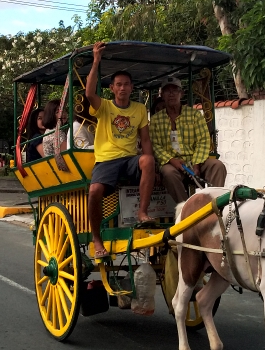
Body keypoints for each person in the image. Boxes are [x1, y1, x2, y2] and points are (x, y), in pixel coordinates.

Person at [86, 41, 155, 258]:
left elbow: (145, 139)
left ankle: (142, 212)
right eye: (118, 84)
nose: (123, 88)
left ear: (132, 88)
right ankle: (97, 240)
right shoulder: (105, 106)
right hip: (106, 160)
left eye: (126, 84)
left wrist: (152, 165)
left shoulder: (139, 108)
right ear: (112, 88)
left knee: (148, 160)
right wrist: (96, 60)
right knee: (94, 191)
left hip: (129, 159)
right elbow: (89, 93)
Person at [149, 75, 226, 203]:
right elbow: (155, 145)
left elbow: (203, 140)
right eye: (167, 91)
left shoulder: (194, 114)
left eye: (175, 90)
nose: (171, 94)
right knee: (168, 173)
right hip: (172, 163)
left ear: (181, 93)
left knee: (218, 166)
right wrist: (172, 160)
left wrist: (196, 164)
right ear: (162, 95)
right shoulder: (156, 120)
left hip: (195, 160)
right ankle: (185, 208)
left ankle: (216, 205)